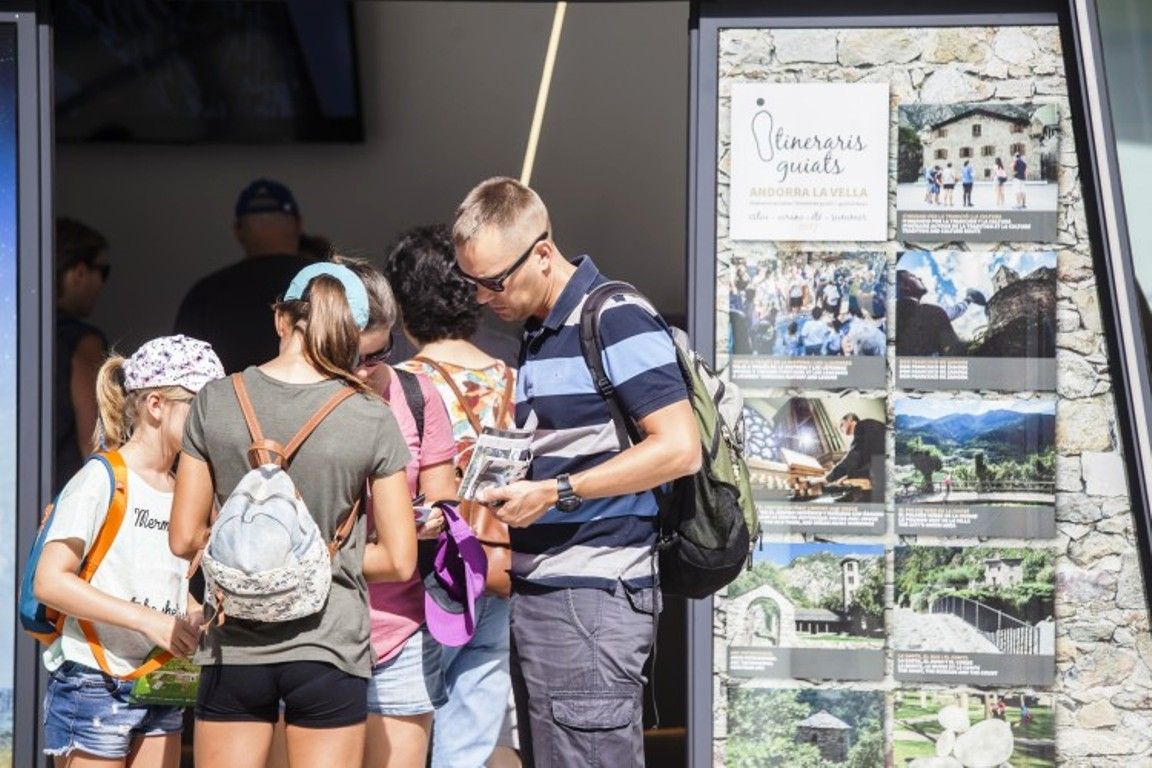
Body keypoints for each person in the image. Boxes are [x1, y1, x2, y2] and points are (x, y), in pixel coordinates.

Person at [451, 177, 700, 768]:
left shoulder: (615, 316)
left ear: (542, 252)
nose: (485, 299)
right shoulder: (539, 332)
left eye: (494, 282)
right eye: (473, 285)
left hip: (593, 597)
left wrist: (557, 491)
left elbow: (679, 448)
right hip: (550, 593)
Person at [169, 262, 417, 768]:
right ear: (350, 332)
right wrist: (320, 557)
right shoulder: (369, 415)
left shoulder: (215, 402)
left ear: (281, 320)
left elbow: (183, 538)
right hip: (329, 643)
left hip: (234, 640)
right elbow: (399, 560)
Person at [35, 335, 224, 767]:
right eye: (201, 405)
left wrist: (193, 613)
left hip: (159, 680)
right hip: (94, 683)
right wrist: (149, 620)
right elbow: (51, 580)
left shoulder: (185, 490)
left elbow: (155, 578)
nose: (212, 421)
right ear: (156, 405)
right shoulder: (102, 478)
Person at [381, 224, 519, 768]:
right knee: (470, 742)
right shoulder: (511, 377)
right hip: (496, 567)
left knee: (409, 730)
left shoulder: (398, 384)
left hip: (427, 579)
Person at [344, 257, 458, 768]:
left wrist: (432, 516)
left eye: (380, 352)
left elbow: (443, 493)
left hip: (404, 625)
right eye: (351, 357)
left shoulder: (416, 394)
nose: (366, 370)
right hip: (313, 631)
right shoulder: (300, 402)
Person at [174, 178, 316, 373]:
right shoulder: (331, 283)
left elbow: (181, 371)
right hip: (323, 402)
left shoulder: (205, 294)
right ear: (299, 223)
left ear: (238, 231)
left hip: (227, 402)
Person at [54, 217, 112, 492]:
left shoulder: (16, 334)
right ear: (79, 272)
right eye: (104, 271)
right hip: (63, 493)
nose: (102, 283)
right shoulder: (83, 342)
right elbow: (93, 438)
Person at [895, 269, 985, 357]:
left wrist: (967, 301)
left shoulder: (923, 313)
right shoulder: (929, 312)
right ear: (904, 285)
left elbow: (945, 315)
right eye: (913, 276)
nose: (920, 278)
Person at [811, 412, 886, 502]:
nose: (840, 429)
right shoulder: (868, 430)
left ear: (850, 419)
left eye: (842, 424)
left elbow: (852, 459)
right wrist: (846, 477)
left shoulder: (861, 426)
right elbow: (860, 463)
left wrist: (826, 478)